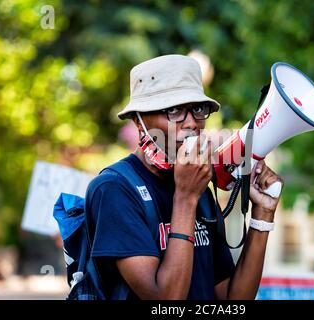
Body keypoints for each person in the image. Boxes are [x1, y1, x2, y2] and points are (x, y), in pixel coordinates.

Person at [85, 54, 283, 300]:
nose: (191, 123)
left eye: (197, 109)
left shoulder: (198, 187)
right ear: (138, 121)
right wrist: (186, 197)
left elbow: (233, 299)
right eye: (173, 110)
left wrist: (262, 216)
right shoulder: (114, 189)